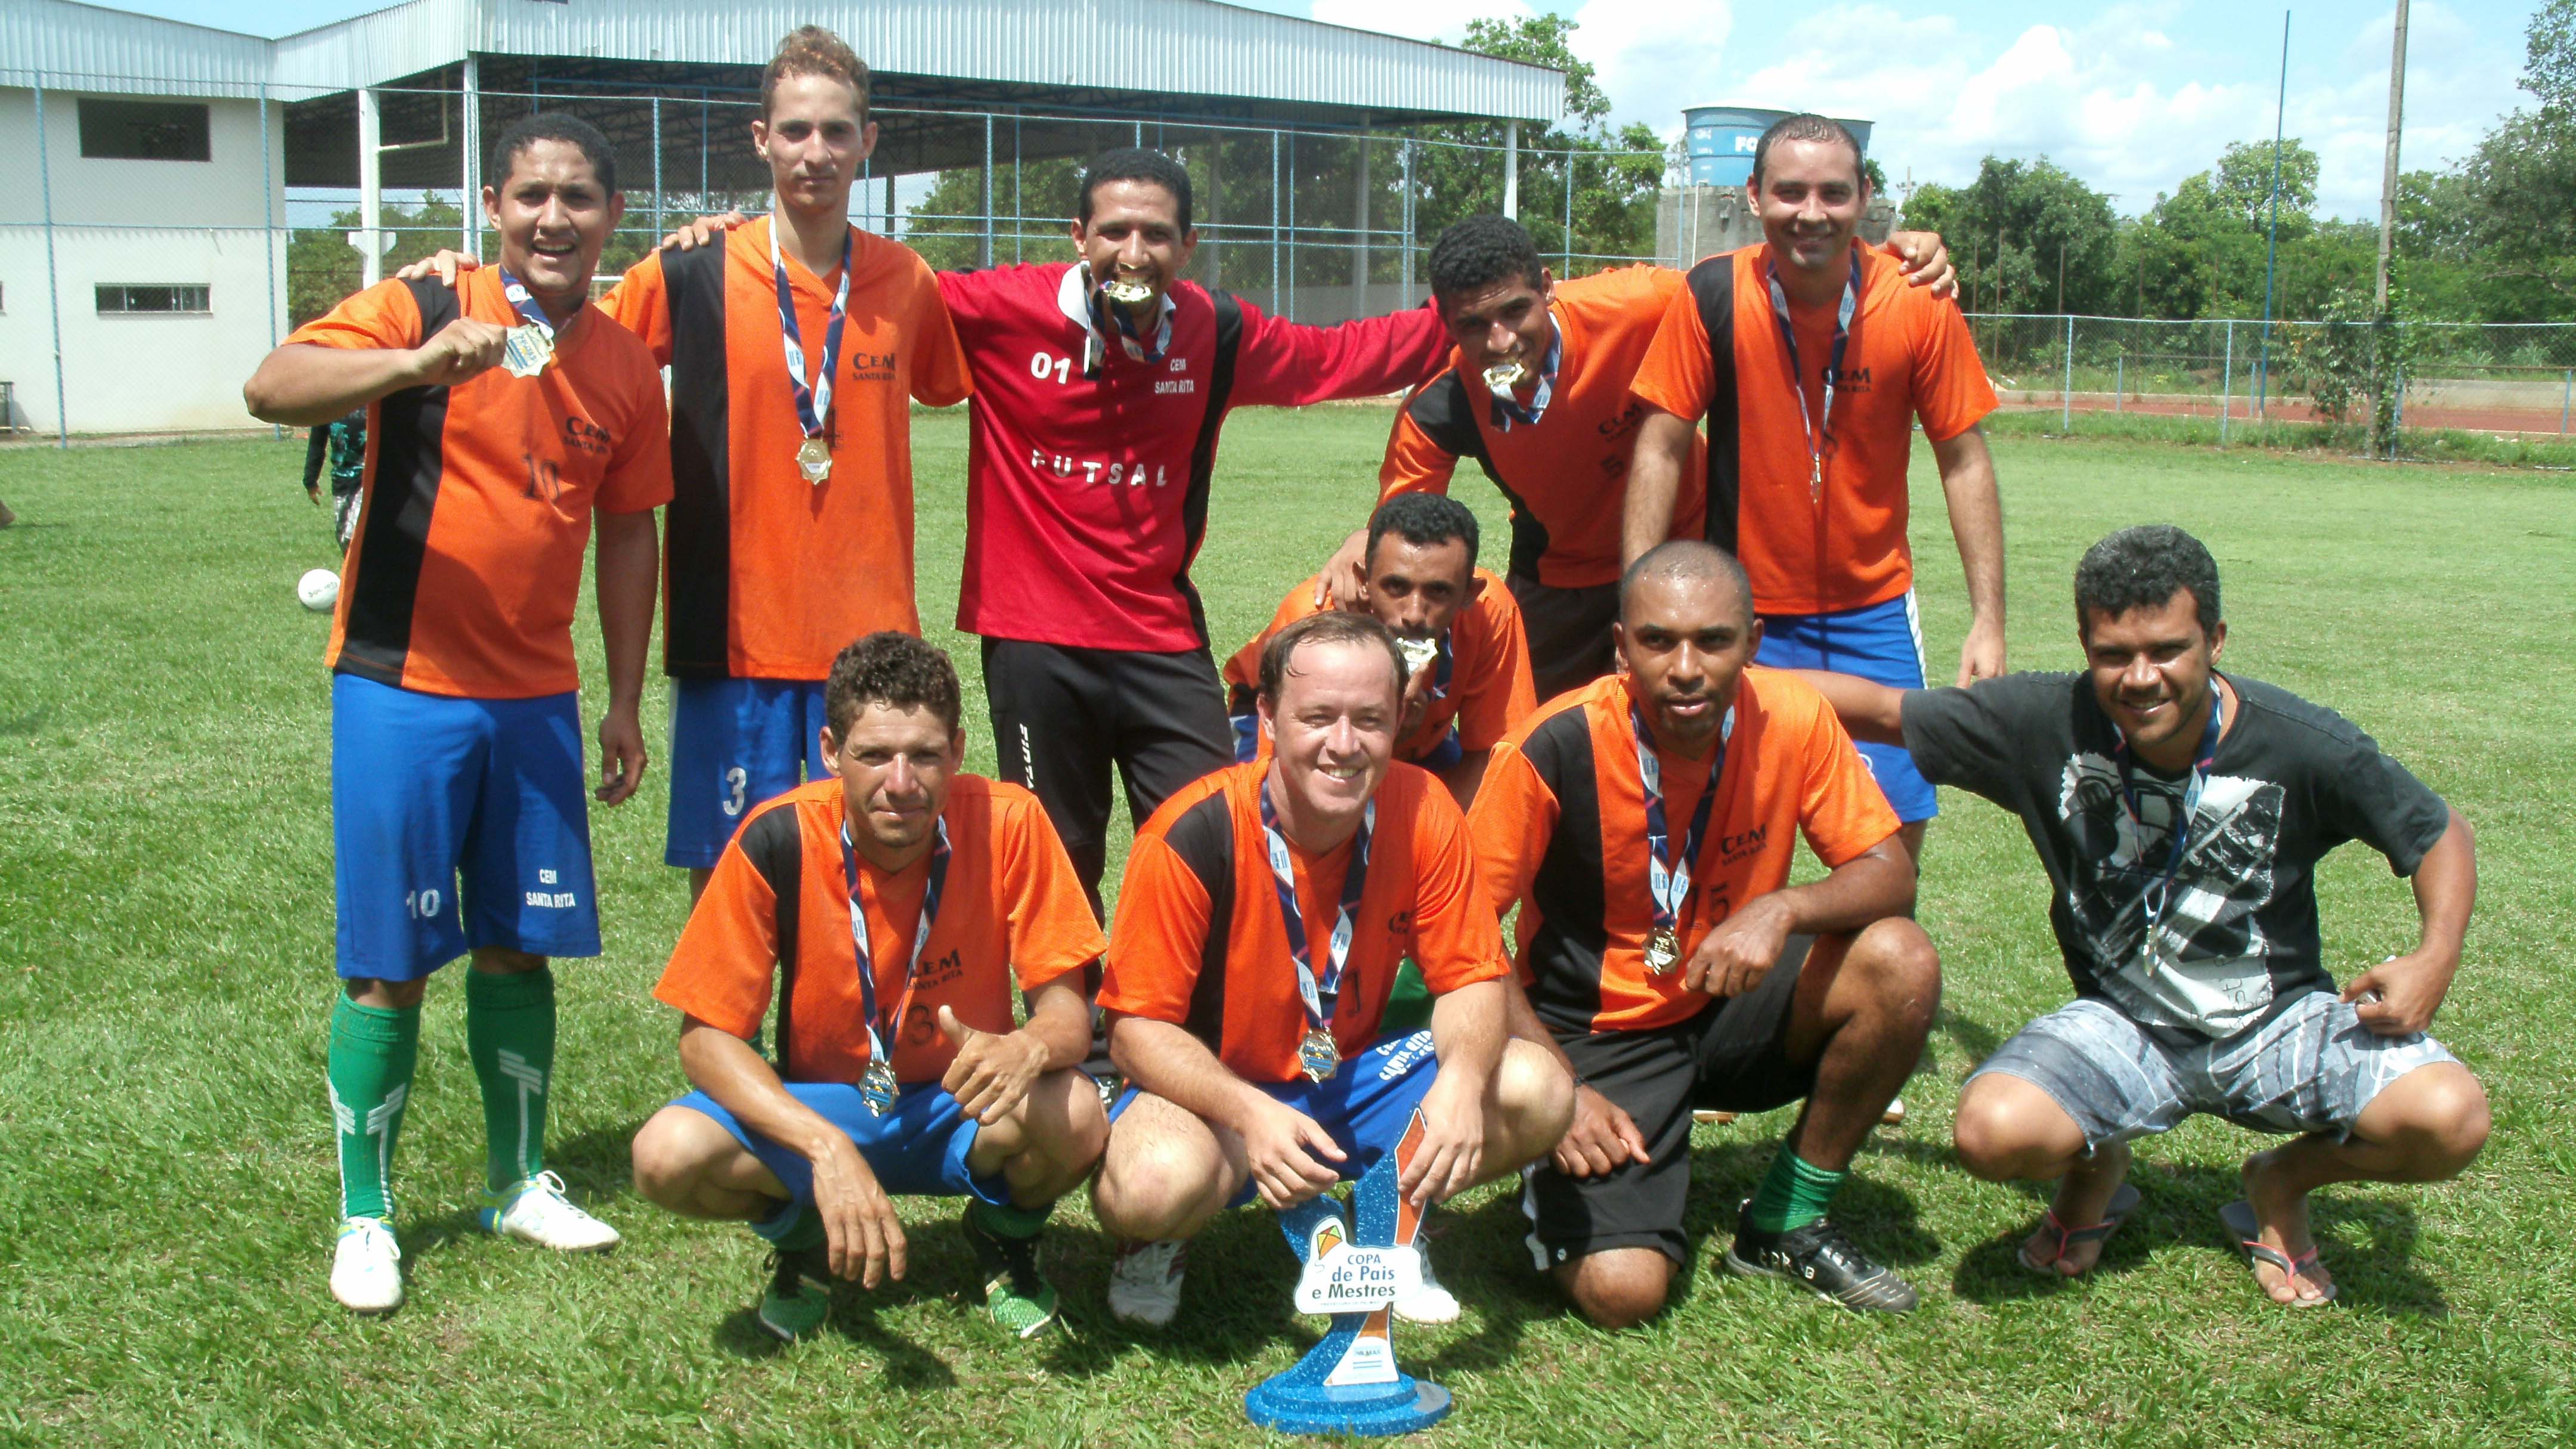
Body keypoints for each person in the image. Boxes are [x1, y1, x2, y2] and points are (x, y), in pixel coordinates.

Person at [649, 148, 1453, 913]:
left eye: (1156, 234)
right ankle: (1078, 1013)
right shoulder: (998, 309)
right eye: (1114, 231)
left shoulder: (1214, 331)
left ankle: (1188, 1002)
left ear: (1188, 246)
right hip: (1035, 642)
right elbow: (855, 285)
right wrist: (748, 237)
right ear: (1078, 236)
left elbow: (1345, 356)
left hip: (1158, 634)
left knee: (1216, 838)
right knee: (1060, 864)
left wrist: (1467, 307)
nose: (1133, 253)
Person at [1797, 525, 2490, 1305]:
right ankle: (2097, 1169)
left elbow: (2440, 832)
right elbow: (1885, 710)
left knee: (2449, 1118)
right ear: (2085, 647)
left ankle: (2283, 1181)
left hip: (2276, 1022)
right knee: (1992, 1131)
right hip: (2122, 1026)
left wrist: (2435, 957)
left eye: (2167, 650)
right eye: (2113, 654)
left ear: (2215, 640)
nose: (2139, 677)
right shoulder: (2044, 720)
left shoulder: (2300, 742)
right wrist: (1724, 671)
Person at [243, 113, 671, 1315]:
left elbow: (629, 530)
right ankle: (366, 1214)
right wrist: (415, 365)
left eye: (578, 198)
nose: (554, 219)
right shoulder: (425, 303)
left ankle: (517, 1181)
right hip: (402, 684)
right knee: (388, 965)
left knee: (520, 943)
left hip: (535, 697)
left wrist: (623, 697)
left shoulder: (625, 364)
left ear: (612, 216)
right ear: (493, 207)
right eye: (532, 195)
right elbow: (270, 386)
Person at [392, 29, 972, 905]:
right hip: (729, 637)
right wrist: (460, 276)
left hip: (869, 642)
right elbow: (561, 328)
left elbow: (953, 380)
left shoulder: (907, 280)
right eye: (795, 130)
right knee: (732, 887)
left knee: (873, 878)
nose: (815, 152)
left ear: (868, 142)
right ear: (761, 139)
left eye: (836, 131)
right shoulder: (692, 268)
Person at [1468, 541, 1939, 1323]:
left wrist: (1781, 910)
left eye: (1713, 641)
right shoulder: (1554, 743)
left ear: (1753, 642)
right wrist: (1559, 1092)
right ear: (1621, 647)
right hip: (1597, 1030)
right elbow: (1464, 937)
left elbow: (1890, 871)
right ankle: (1570, 1161)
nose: (1685, 668)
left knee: (1900, 959)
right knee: (1622, 1293)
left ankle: (1787, 1218)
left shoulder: (1792, 714)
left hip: (1728, 996)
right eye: (1658, 641)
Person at [1089, 611, 1574, 1330]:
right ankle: (1158, 1241)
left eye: (1369, 720)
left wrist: (1463, 1083)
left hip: (1349, 1079)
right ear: (1268, 718)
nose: (1344, 745)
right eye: (1318, 717)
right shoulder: (1191, 834)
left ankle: (1391, 1222)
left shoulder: (1426, 809)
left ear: (1399, 719)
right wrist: (1248, 1112)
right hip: (1219, 1093)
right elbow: (1134, 1033)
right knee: (1150, 1183)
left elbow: (1470, 977)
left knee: (1539, 1088)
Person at [630, 632, 1110, 1342]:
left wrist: (1028, 1047)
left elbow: (1067, 1011)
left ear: (957, 750)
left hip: (960, 1101)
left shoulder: (1010, 822)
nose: (902, 783)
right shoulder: (777, 837)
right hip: (827, 1104)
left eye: (925, 755)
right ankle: (803, 1242)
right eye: (874, 755)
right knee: (666, 1155)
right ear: (830, 751)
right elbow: (704, 1042)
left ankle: (1004, 1236)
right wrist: (822, 1145)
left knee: (1078, 1115)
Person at [1314, 214, 1955, 702]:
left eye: (1515, 311)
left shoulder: (1638, 305)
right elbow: (1402, 529)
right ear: (1448, 326)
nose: (1500, 340)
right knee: (1542, 751)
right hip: (1559, 581)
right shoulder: (1441, 407)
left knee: (1696, 727)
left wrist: (1884, 256)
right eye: (1473, 325)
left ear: (1547, 288)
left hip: (1684, 552)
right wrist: (1365, 537)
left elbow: (1754, 287)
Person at [1623, 114, 2004, 861]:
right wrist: (1640, 602)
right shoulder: (1713, 293)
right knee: (1694, 847)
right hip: (1736, 617)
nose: (1811, 213)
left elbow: (1964, 460)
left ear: (1865, 196)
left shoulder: (1916, 299)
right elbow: (1661, 447)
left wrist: (1988, 621)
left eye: (1833, 193)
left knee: (1888, 857)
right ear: (1754, 195)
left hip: (1873, 613)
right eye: (1790, 191)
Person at [1224, 493, 1534, 810]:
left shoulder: (1489, 611)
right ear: (1364, 581)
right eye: (1396, 587)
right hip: (1294, 735)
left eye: (1439, 591)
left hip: (1423, 741)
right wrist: (1386, 726)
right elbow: (1289, 772)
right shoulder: (1313, 622)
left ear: (1469, 594)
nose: (1414, 613)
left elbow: (1495, 757)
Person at [301, 406, 366, 547]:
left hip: (372, 478)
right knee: (343, 537)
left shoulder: (375, 399)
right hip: (343, 481)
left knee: (353, 535)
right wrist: (311, 480)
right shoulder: (331, 403)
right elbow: (317, 443)